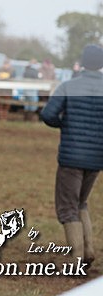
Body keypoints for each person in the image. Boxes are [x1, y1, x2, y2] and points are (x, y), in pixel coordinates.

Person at [41, 43, 103, 264]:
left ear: (83, 63)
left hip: (71, 157)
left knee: (68, 206)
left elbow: (48, 114)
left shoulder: (69, 86)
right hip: (97, 158)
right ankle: (88, 249)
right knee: (82, 202)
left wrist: (64, 124)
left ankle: (76, 257)